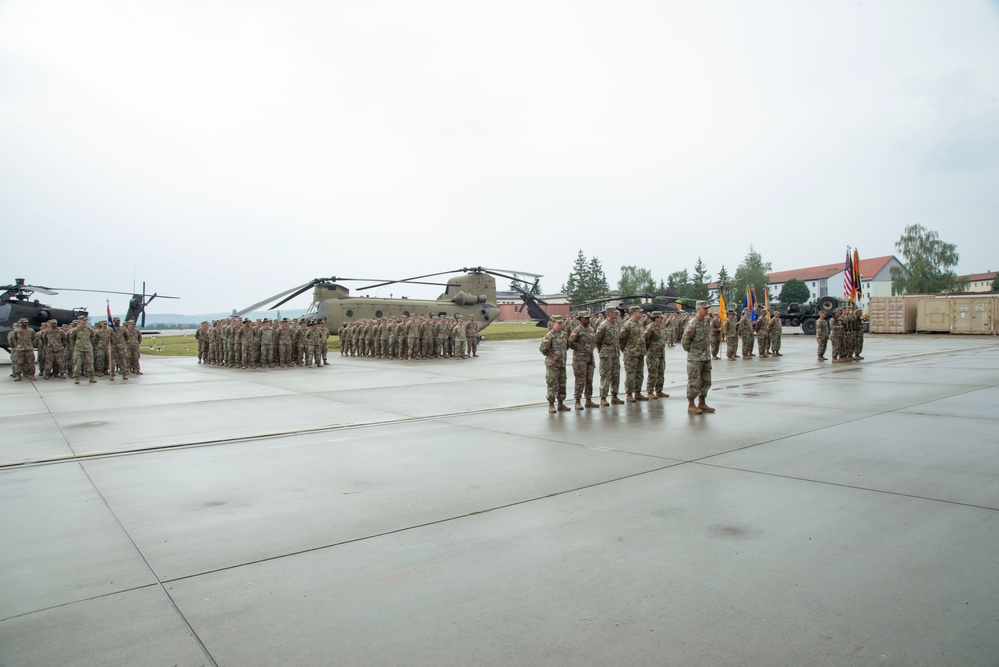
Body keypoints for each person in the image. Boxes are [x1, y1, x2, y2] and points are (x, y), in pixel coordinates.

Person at [681, 300, 714, 414]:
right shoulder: (692, 323)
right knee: (694, 381)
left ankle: (702, 402)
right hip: (695, 358)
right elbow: (685, 341)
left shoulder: (706, 322)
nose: (707, 311)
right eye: (705, 309)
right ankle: (691, 404)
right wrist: (692, 352)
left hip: (705, 356)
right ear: (698, 309)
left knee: (706, 381)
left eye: (707, 309)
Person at [567, 310, 597, 409]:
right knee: (580, 381)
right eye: (586, 318)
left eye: (588, 318)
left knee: (589, 380)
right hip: (580, 359)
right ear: (580, 319)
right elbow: (570, 343)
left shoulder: (591, 329)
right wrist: (579, 348)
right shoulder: (577, 330)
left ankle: (588, 400)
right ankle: (577, 401)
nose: (588, 319)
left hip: (590, 358)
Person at [539, 315, 569, 413]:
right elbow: (543, 349)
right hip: (552, 365)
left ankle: (561, 404)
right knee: (552, 384)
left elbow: (566, 347)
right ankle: (551, 405)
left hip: (562, 364)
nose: (560, 324)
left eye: (561, 322)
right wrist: (551, 356)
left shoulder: (564, 334)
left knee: (562, 384)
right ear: (553, 323)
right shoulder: (549, 335)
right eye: (558, 322)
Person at [619, 305, 648, 402]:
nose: (641, 313)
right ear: (634, 313)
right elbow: (622, 340)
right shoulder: (627, 324)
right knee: (630, 375)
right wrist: (627, 350)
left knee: (639, 374)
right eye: (639, 312)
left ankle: (637, 393)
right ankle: (629, 394)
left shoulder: (640, 323)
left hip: (640, 353)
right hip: (631, 354)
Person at [595, 306, 623, 406]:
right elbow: (598, 340)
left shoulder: (617, 324)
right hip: (606, 355)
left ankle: (614, 396)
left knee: (616, 376)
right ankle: (603, 398)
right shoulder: (603, 326)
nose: (617, 314)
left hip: (615, 354)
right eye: (615, 313)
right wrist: (602, 351)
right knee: (605, 376)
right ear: (610, 313)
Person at [644, 311, 668, 399]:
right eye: (661, 318)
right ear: (656, 318)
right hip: (653, 354)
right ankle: (650, 391)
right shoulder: (650, 328)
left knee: (661, 373)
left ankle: (659, 390)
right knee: (653, 373)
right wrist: (648, 351)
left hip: (661, 354)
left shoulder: (661, 327)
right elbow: (646, 340)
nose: (662, 319)